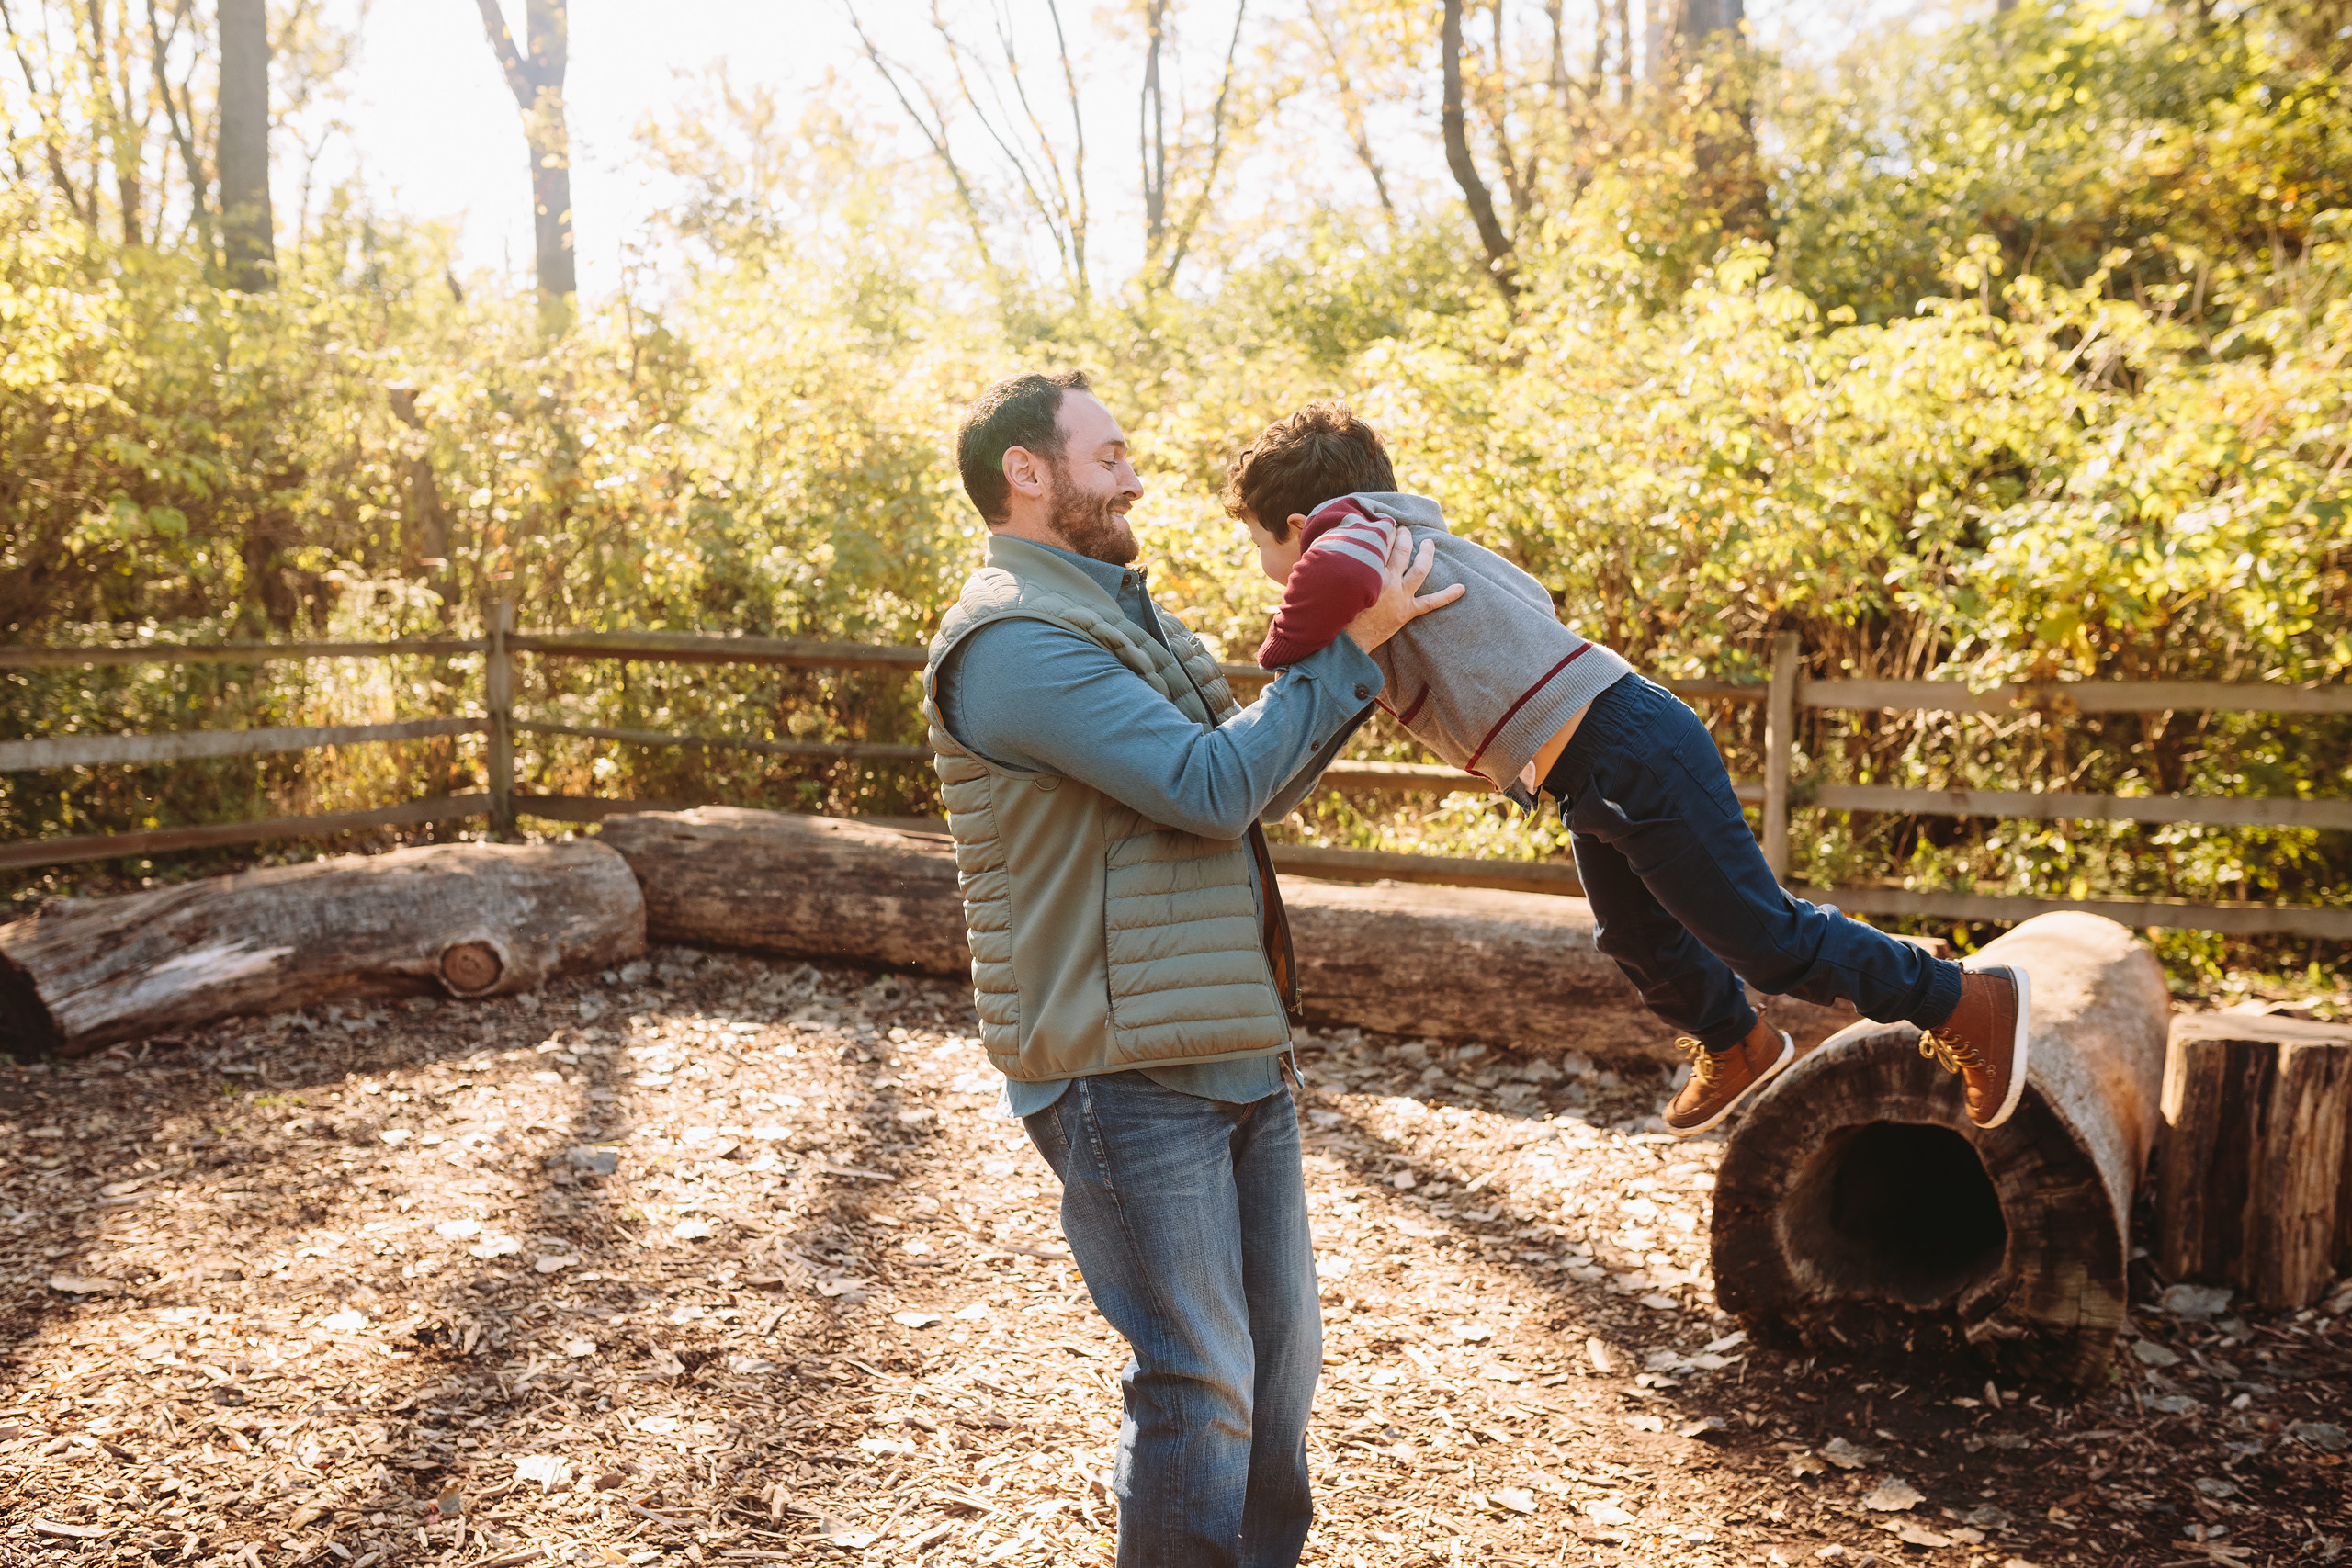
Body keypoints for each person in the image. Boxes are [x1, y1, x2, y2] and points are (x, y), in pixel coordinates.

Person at [922, 371, 1463, 1568]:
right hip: (1120, 1060)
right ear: (1027, 471)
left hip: (1229, 1033)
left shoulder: (1130, 617)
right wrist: (1346, 652)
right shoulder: (1013, 640)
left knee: (1276, 1369)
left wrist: (1358, 666)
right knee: (1201, 1377)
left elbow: (1251, 783)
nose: (1134, 477)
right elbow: (1208, 788)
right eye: (1108, 455)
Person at [1223, 400, 2030, 1137]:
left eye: (1260, 543)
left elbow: (1335, 575)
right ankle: (1737, 1041)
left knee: (1766, 939)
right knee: (1636, 936)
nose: (1266, 563)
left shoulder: (1352, 535)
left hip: (1626, 744)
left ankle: (1962, 999)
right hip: (1596, 769)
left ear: (1298, 525)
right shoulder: (1398, 549)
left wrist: (1279, 649)